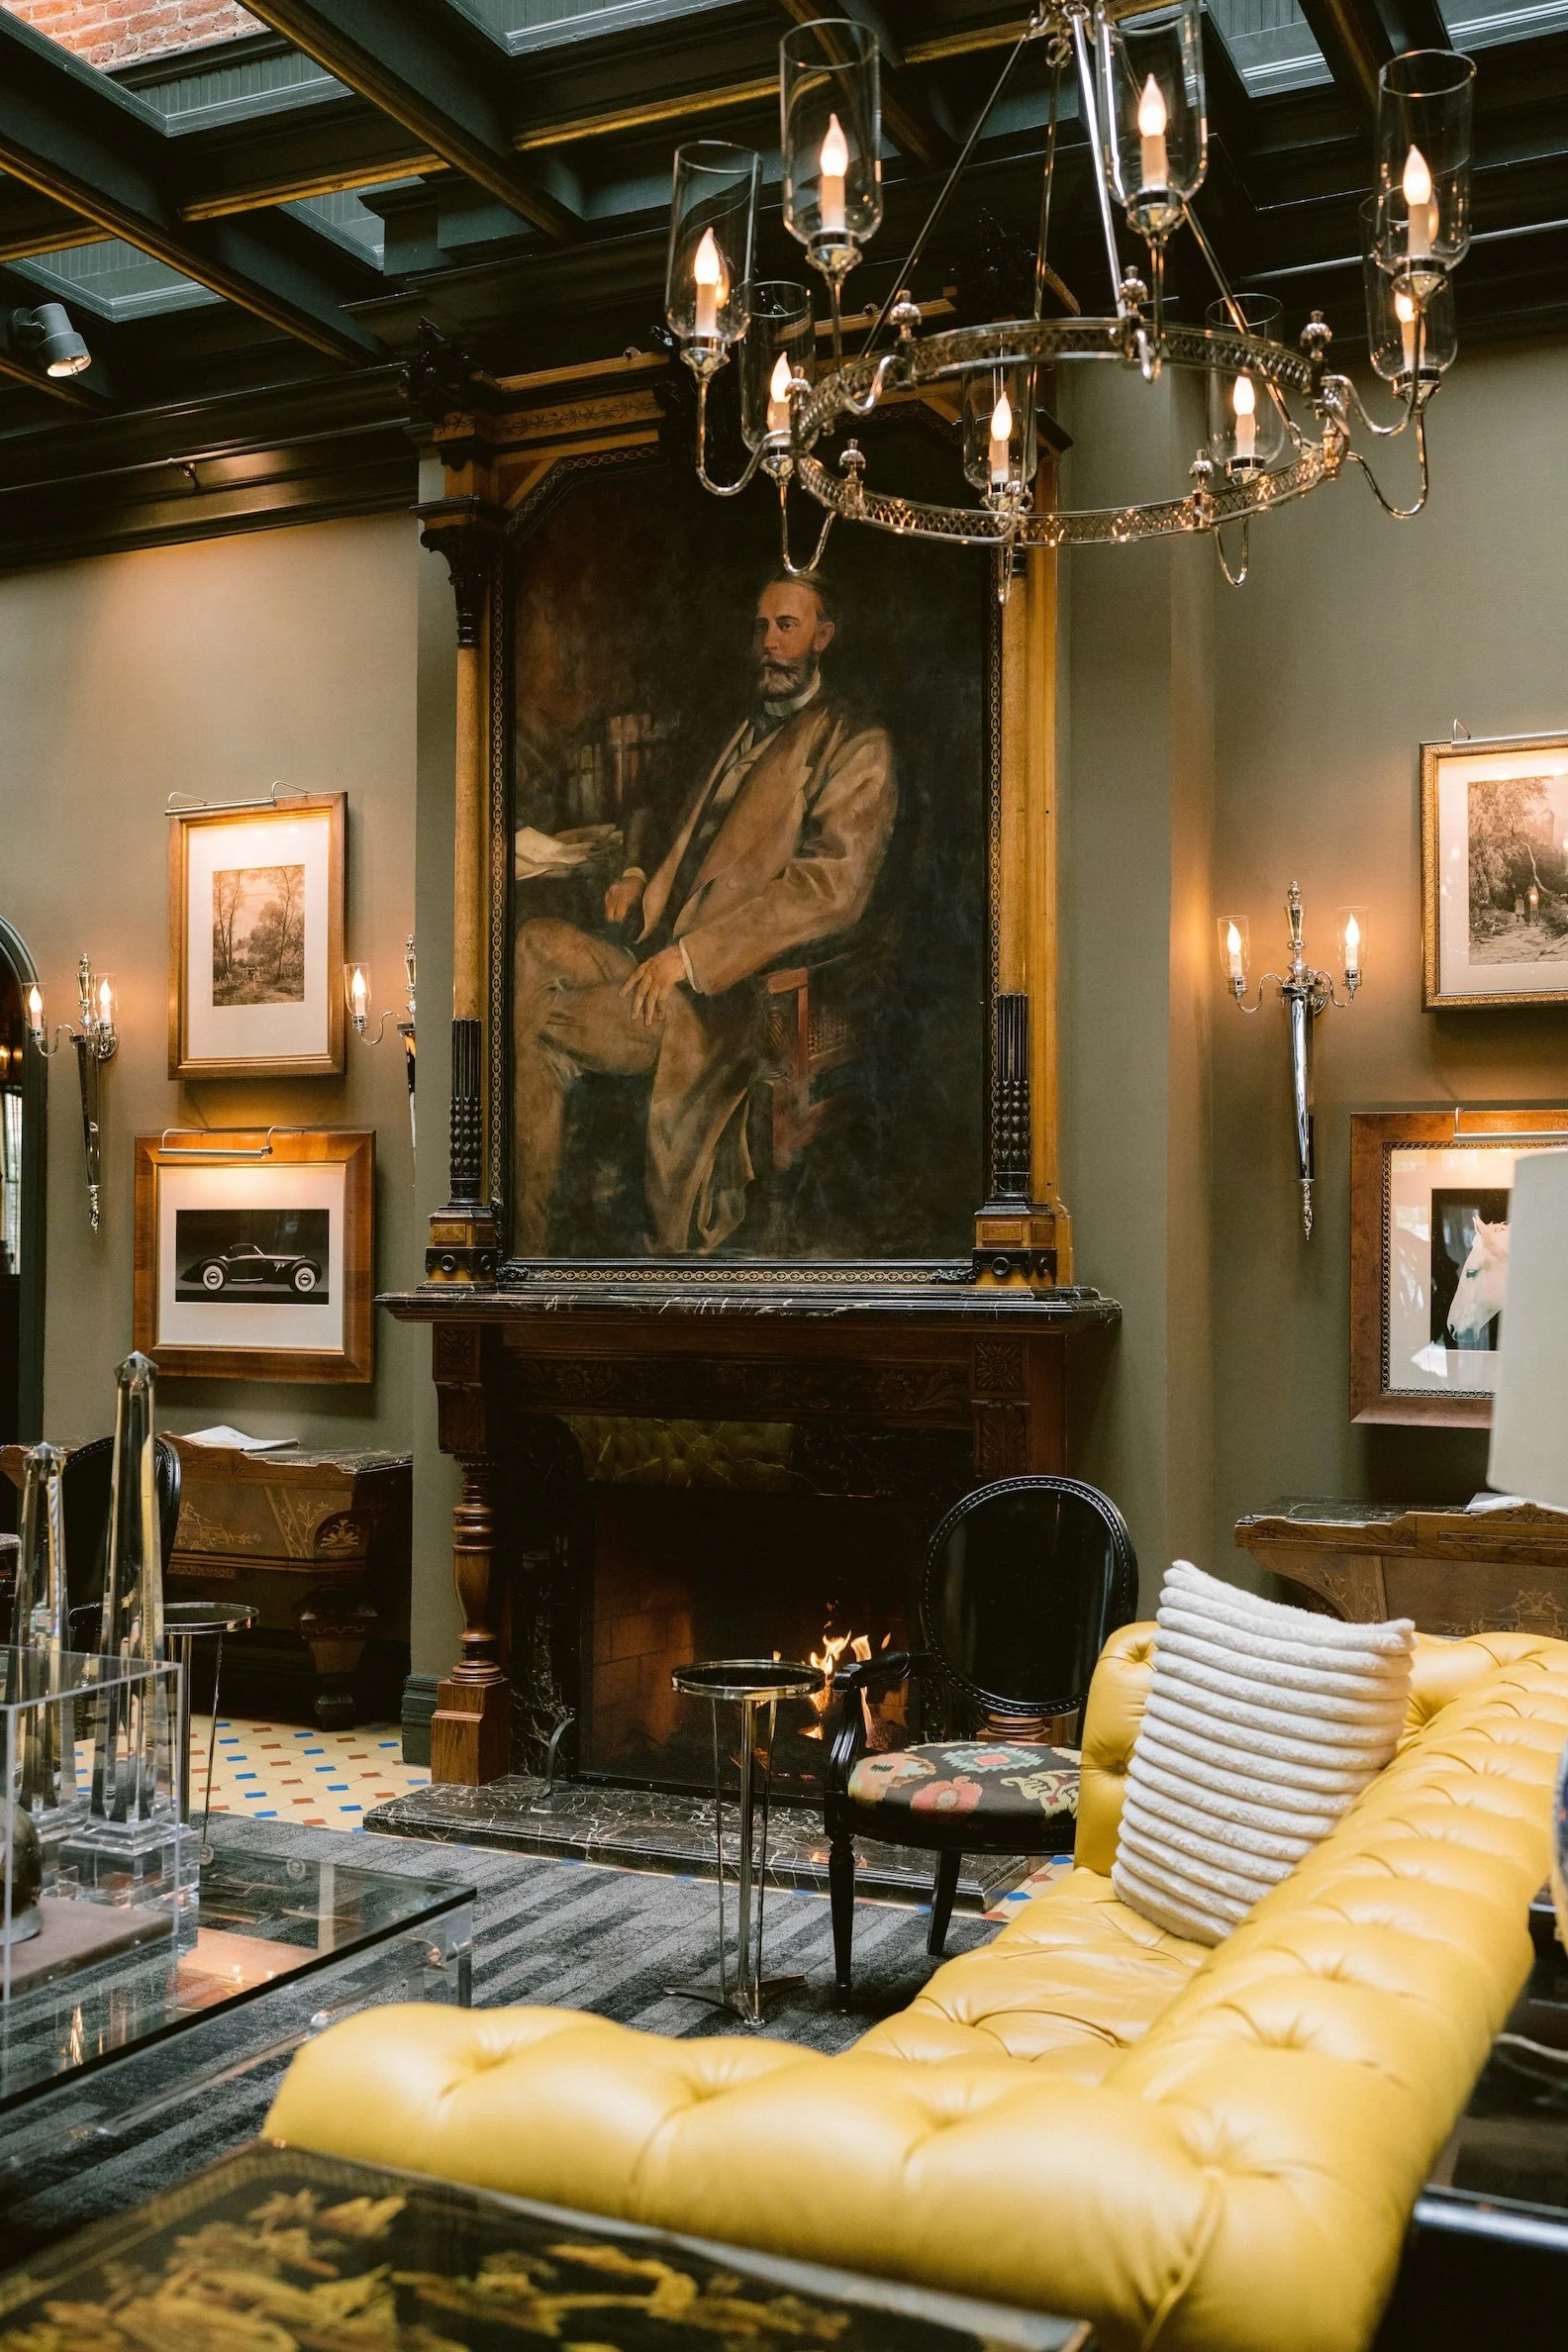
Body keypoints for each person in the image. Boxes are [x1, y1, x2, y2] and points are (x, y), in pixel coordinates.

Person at [514, 574, 896, 1254]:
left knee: (538, 1027)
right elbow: (671, 821)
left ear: (823, 637)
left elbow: (827, 890)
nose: (768, 645)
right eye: (761, 627)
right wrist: (635, 871)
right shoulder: (737, 729)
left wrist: (688, 960)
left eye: (786, 626)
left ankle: (529, 1245)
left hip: (730, 993)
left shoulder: (856, 747)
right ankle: (535, 1222)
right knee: (533, 943)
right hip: (654, 950)